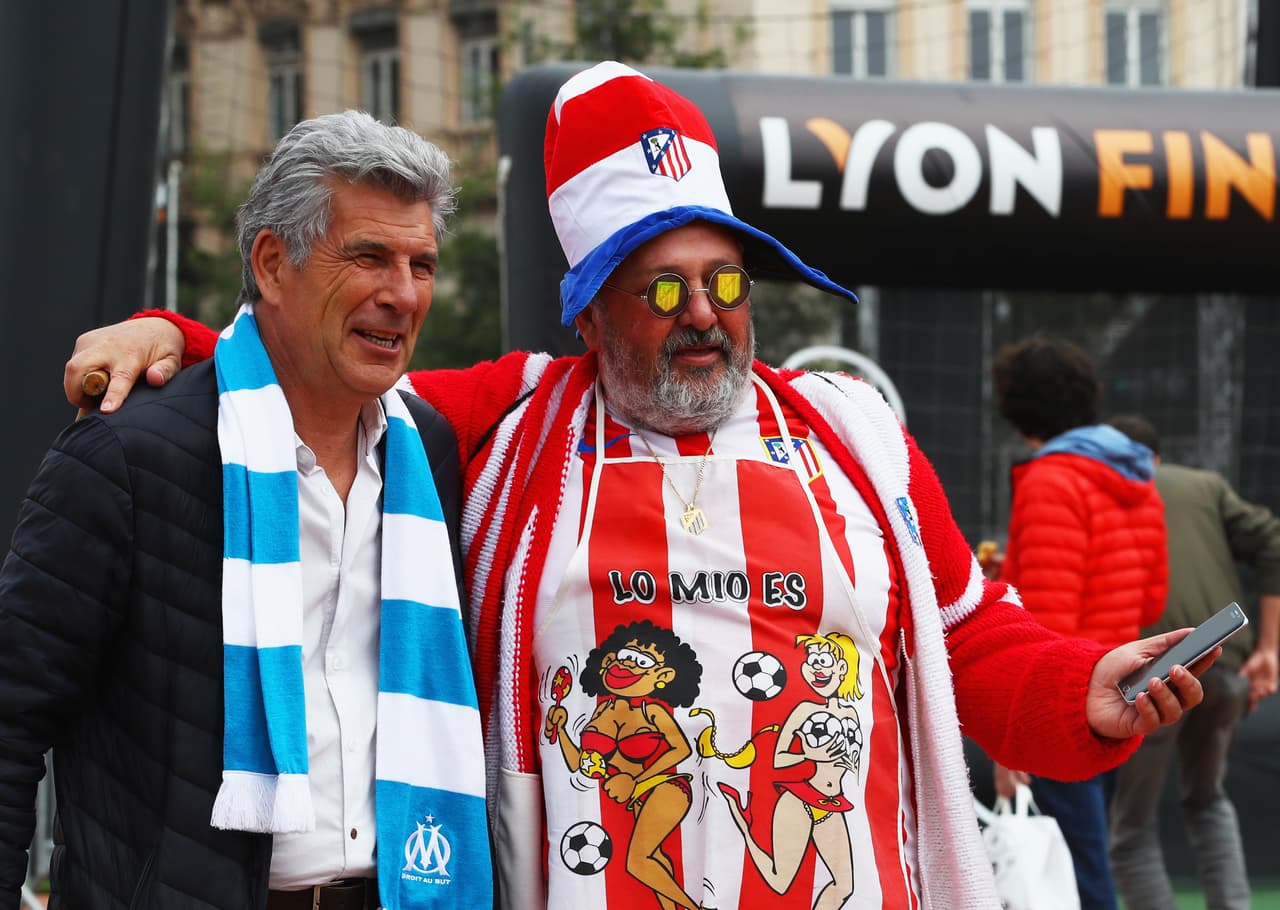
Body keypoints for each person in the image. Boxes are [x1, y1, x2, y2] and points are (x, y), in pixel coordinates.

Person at [62, 62, 1210, 910]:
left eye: (723, 279)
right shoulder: (505, 420)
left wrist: (1079, 694)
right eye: (661, 291)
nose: (704, 313)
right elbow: (315, 367)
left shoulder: (855, 438)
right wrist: (169, 334)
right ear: (592, 309)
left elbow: (975, 642)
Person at [0, 110, 492, 909]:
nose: (402, 295)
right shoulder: (127, 458)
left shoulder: (429, 450)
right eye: (370, 256)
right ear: (272, 262)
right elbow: (12, 716)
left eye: (422, 264)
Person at [990, 336, 1169, 910]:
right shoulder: (1136, 477)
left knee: (1079, 877)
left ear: (1017, 407)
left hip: (1065, 707)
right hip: (1122, 695)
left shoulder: (1050, 481)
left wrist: (1011, 742)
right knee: (1090, 864)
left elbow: (1045, 621)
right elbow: (1150, 597)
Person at [1105, 414, 1280, 910]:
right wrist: (1270, 650)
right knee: (1208, 800)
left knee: (1132, 832)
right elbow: (1273, 540)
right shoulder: (1205, 485)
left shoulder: (1103, 488)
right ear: (1158, 456)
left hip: (1154, 678)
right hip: (1226, 668)